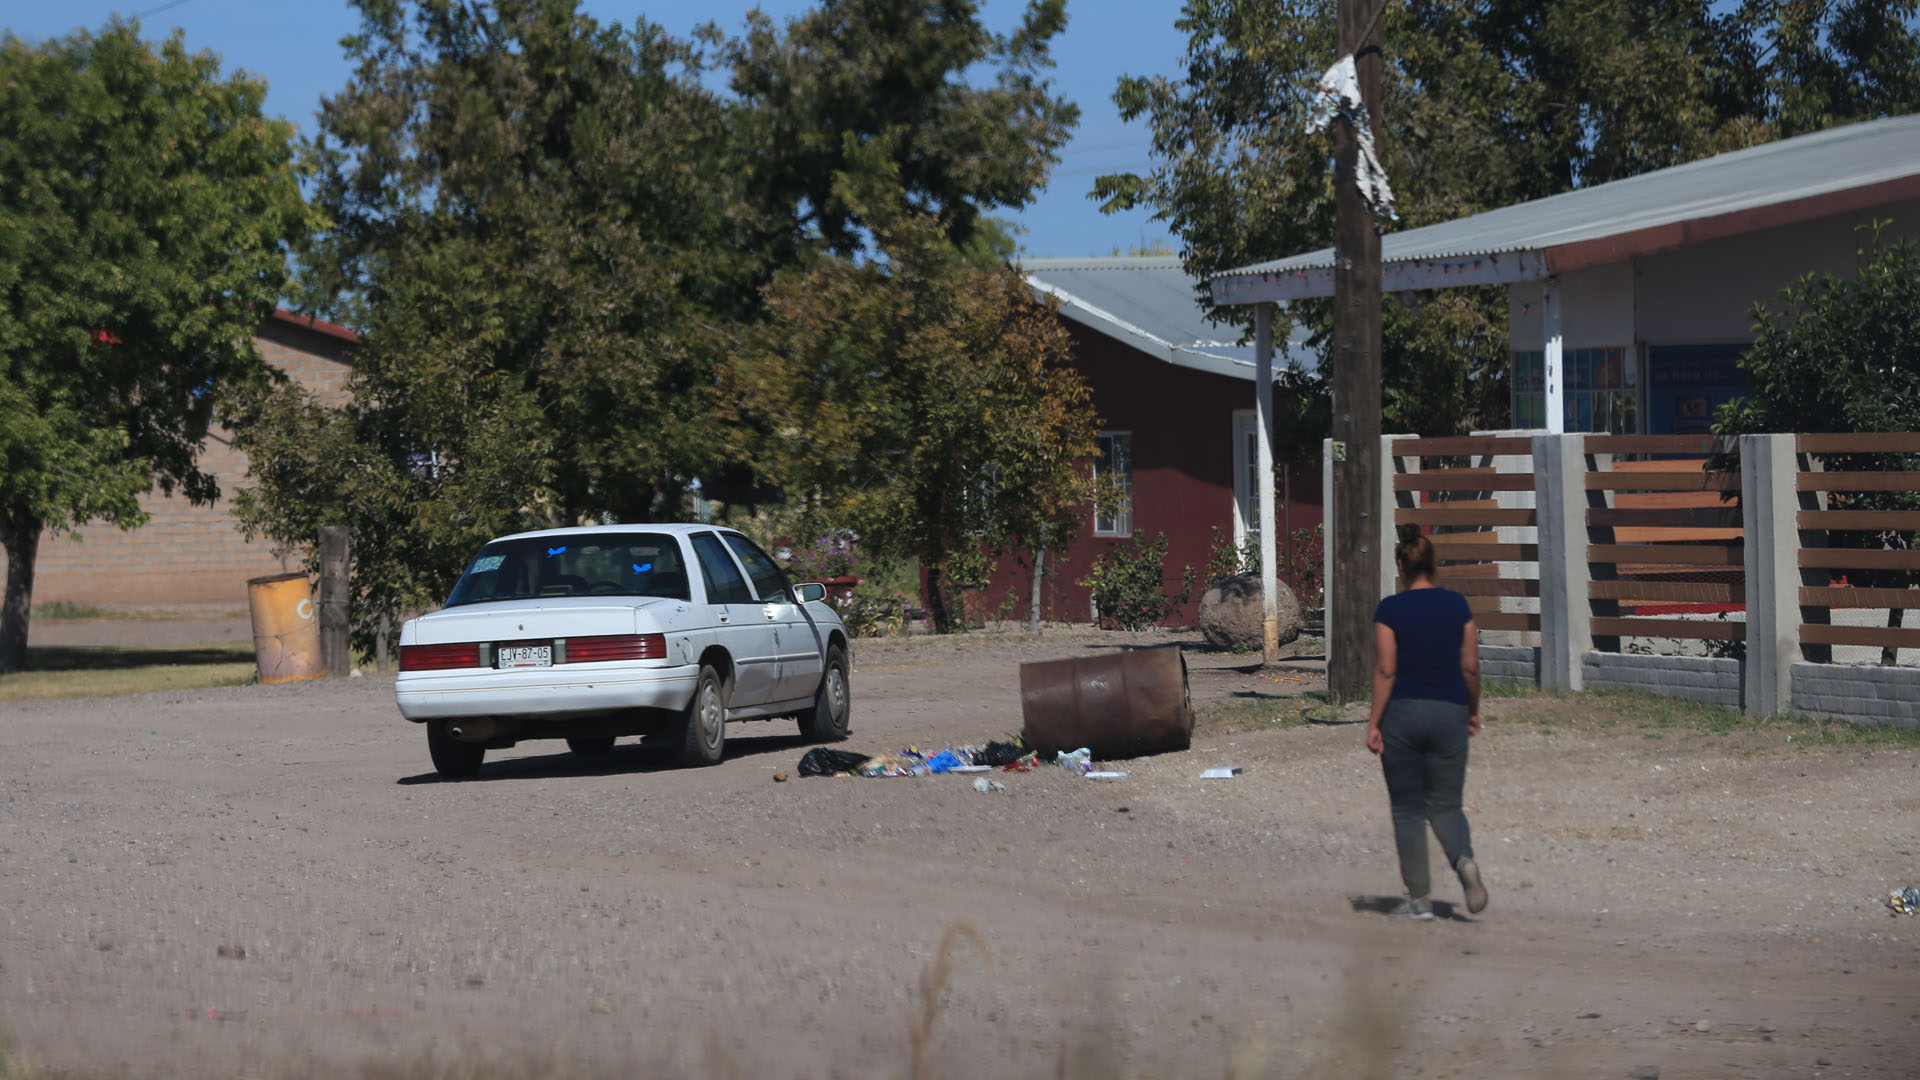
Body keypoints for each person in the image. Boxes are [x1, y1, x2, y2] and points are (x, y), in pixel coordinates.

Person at [1365, 525, 1488, 920]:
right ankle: (1464, 862)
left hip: (1402, 715)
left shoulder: (1390, 610)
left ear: (1401, 565)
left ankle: (1418, 898)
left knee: (1407, 809)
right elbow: (1470, 667)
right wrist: (1472, 709)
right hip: (1450, 711)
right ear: (1434, 565)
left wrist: (1373, 723)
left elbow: (1386, 671)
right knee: (1447, 806)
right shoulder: (1458, 607)